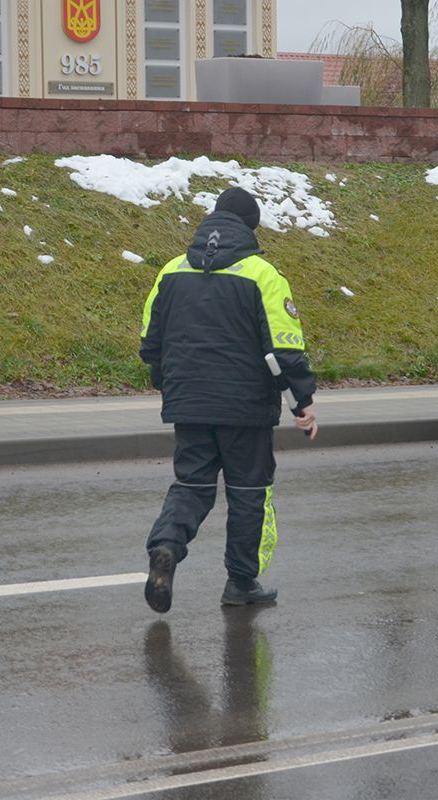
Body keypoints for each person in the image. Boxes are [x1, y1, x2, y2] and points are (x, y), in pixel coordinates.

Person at [139, 187, 317, 613]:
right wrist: (302, 403)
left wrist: (171, 385)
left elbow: (150, 343)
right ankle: (240, 583)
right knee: (248, 492)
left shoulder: (171, 270)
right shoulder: (262, 274)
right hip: (246, 409)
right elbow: (283, 351)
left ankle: (165, 546)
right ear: (251, 228)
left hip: (190, 404)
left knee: (192, 486)